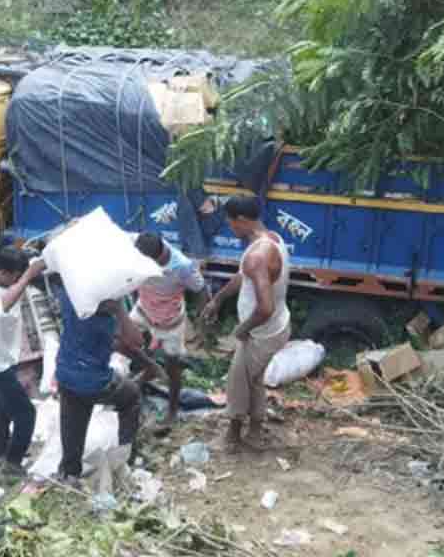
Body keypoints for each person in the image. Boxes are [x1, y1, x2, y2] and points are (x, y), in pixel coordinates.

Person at [200, 195, 291, 452]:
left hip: (261, 333)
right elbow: (243, 277)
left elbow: (265, 308)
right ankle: (254, 432)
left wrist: (242, 330)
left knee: (238, 382)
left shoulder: (257, 256)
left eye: (230, 222)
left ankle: (232, 437)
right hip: (275, 325)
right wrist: (217, 300)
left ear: (240, 220)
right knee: (254, 380)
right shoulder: (271, 239)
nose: (230, 227)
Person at [54, 283, 155, 482]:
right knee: (132, 395)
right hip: (94, 381)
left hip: (66, 373)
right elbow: (135, 341)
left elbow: (117, 345)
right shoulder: (105, 316)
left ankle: (69, 472)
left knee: (73, 420)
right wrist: (119, 310)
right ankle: (126, 455)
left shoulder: (69, 294)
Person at [0, 247, 46, 477]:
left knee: (2, 409)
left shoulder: (4, 278)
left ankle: (1, 452)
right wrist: (27, 277)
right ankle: (13, 463)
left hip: (5, 357)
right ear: (3, 272)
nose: (18, 281)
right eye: (15, 276)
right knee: (26, 414)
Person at [131, 232, 208, 425]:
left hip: (169, 322)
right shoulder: (138, 244)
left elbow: (201, 290)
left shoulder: (183, 267)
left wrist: (202, 324)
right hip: (143, 310)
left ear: (156, 259)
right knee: (122, 339)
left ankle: (172, 412)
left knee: (173, 367)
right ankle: (147, 373)